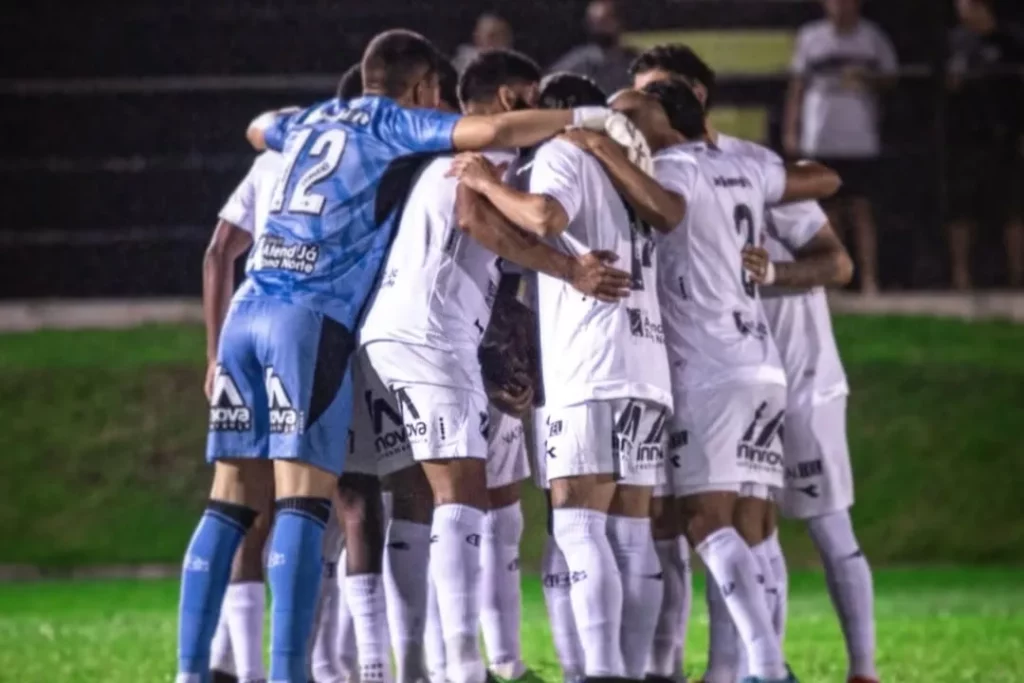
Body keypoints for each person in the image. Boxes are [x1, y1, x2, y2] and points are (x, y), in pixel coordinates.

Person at [178, 27, 623, 683]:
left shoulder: (310, 120)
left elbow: (256, 128)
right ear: (418, 90)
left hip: (249, 308)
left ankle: (192, 670)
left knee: (229, 502)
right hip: (311, 316)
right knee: (304, 502)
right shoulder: (392, 123)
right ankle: (288, 672)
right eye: (432, 96)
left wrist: (282, 124)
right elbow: (491, 134)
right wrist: (587, 116)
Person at [349, 47, 630, 683]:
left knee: (419, 497)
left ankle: (419, 666)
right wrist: (570, 269)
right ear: (510, 98)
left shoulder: (441, 161)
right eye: (532, 100)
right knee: (461, 495)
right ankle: (463, 668)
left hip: (397, 336)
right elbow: (475, 217)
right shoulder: (488, 159)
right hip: (427, 335)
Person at [630, 44, 879, 683]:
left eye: (652, 95)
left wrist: (777, 271)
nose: (639, 109)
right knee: (740, 525)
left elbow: (839, 264)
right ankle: (735, 669)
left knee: (808, 525)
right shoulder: (692, 166)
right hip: (741, 363)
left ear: (692, 95)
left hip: (797, 370)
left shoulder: (740, 162)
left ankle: (853, 669)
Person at [450, 71, 677, 681]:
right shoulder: (630, 171)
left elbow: (546, 217)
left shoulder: (561, 153)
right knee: (631, 531)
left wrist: (484, 184)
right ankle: (635, 672)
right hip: (647, 366)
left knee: (578, 522)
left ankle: (599, 672)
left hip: (591, 361)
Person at [202, 147, 283, 683]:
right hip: (305, 332)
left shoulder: (270, 157)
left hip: (240, 336)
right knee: (313, 504)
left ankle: (217, 663)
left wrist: (213, 354)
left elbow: (217, 252)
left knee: (234, 505)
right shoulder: (367, 150)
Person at [783, 0, 897, 295]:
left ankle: (870, 280)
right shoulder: (810, 36)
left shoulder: (872, 37)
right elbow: (797, 87)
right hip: (820, 138)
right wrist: (791, 130)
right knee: (827, 212)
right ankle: (834, 280)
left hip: (860, 140)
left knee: (861, 210)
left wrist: (867, 79)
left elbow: (892, 78)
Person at [946, 0, 1024, 290]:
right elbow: (946, 88)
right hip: (965, 139)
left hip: (1005, 138)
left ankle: (1017, 276)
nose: (960, 11)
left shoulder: (1011, 41)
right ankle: (961, 277)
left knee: (1013, 211)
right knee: (961, 211)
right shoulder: (956, 42)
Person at [550, 0, 637, 95]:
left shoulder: (632, 61)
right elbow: (551, 80)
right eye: (594, 23)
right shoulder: (580, 62)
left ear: (618, 22)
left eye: (604, 22)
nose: (598, 29)